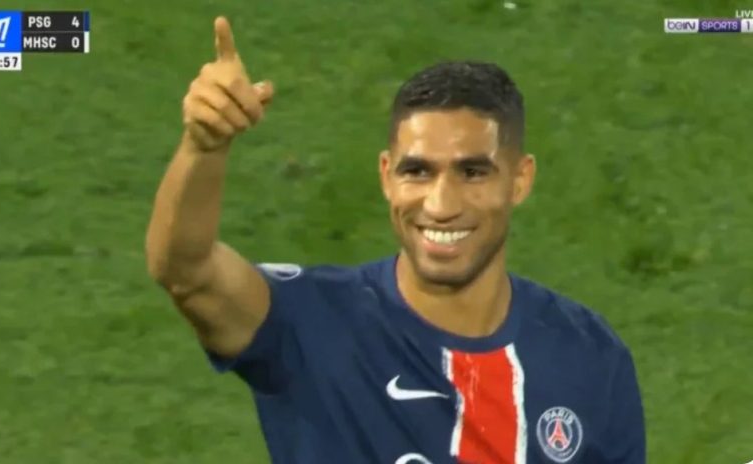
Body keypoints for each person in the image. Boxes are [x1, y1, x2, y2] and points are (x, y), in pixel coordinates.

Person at [145, 16, 646, 464]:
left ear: (520, 179)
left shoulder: (591, 358)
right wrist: (204, 147)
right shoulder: (310, 323)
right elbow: (186, 272)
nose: (441, 203)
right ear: (387, 176)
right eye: (417, 172)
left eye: (473, 172)